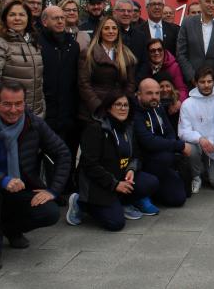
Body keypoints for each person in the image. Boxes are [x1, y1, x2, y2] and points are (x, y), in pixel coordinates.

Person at [0, 81, 70, 271]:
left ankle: (10, 229)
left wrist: (52, 190)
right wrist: (3, 180)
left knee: (50, 212)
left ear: (24, 103)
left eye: (18, 103)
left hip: (23, 187)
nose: (13, 110)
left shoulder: (34, 124)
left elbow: (63, 154)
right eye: (7, 104)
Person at [66, 91, 160, 231]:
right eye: (118, 105)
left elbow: (136, 155)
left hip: (121, 177)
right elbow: (89, 165)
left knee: (151, 182)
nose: (123, 108)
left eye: (126, 105)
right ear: (109, 107)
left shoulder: (129, 127)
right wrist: (114, 184)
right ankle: (80, 203)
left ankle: (121, 201)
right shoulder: (95, 128)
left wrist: (131, 169)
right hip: (98, 182)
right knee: (115, 223)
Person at [37, 6, 80, 192]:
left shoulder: (73, 45)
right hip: (47, 109)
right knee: (51, 152)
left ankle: (67, 186)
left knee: (69, 150)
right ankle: (53, 189)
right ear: (45, 21)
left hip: (69, 109)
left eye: (62, 18)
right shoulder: (37, 44)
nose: (61, 21)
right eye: (55, 18)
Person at [0, 0, 45, 117]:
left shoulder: (33, 43)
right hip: (10, 117)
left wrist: (41, 109)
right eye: (12, 14)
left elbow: (38, 81)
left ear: (28, 18)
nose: (17, 18)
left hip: (34, 116)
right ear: (5, 18)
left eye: (22, 14)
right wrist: (3, 114)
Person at [132, 78, 189, 208]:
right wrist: (179, 145)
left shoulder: (158, 108)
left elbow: (170, 132)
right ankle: (142, 194)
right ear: (139, 95)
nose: (154, 97)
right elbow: (148, 142)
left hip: (160, 159)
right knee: (166, 157)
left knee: (179, 199)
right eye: (149, 93)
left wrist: (170, 145)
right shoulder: (134, 113)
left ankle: (155, 190)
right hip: (142, 162)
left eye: (157, 93)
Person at [178, 67, 214, 193]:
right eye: (202, 82)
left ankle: (207, 170)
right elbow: (183, 132)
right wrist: (200, 139)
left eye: (209, 81)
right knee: (189, 148)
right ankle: (196, 176)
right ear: (195, 83)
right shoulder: (187, 104)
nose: (206, 85)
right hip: (198, 147)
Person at [78, 16, 137, 123]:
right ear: (100, 32)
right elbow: (84, 84)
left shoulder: (127, 54)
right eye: (106, 28)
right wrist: (98, 106)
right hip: (95, 111)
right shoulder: (88, 53)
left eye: (114, 28)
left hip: (119, 110)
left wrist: (123, 103)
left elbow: (131, 83)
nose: (111, 31)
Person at [135, 38, 188, 107]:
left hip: (170, 105)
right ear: (148, 53)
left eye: (160, 50)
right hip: (149, 104)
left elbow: (182, 89)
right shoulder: (143, 68)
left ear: (164, 51)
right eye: (153, 51)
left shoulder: (174, 67)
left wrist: (179, 102)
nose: (157, 53)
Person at [112, 0, 149, 67]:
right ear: (114, 13)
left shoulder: (141, 36)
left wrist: (138, 78)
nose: (126, 14)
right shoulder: (108, 34)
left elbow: (145, 62)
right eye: (122, 10)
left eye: (129, 11)